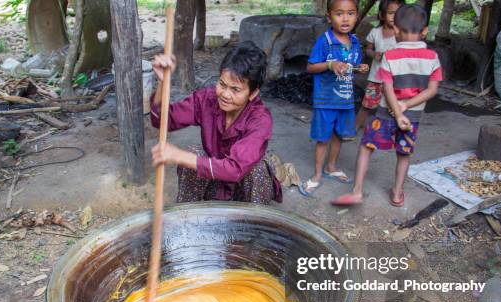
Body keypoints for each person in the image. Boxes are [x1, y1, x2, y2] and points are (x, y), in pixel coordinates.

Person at [331, 4, 442, 207]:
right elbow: (431, 90)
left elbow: (387, 88)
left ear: (396, 30)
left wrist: (397, 110)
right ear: (425, 31)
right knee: (403, 154)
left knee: (366, 147)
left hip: (385, 113)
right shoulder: (433, 58)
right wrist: (406, 106)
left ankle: (357, 191)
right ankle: (398, 193)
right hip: (413, 116)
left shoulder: (391, 56)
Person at [149, 41, 282, 205]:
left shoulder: (260, 120)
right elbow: (163, 121)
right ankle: (188, 219)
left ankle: (254, 227)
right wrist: (163, 82)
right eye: (222, 84)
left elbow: (235, 169)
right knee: (194, 154)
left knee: (258, 170)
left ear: (253, 93)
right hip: (214, 183)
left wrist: (179, 155)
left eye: (235, 89)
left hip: (242, 191)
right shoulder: (207, 99)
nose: (225, 94)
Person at [299, 0, 369, 197]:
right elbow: (310, 67)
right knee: (323, 138)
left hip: (345, 100)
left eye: (351, 13)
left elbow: (350, 67)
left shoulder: (354, 42)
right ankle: (317, 175)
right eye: (339, 14)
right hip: (326, 100)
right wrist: (330, 64)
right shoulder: (324, 41)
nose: (345, 18)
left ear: (357, 16)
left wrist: (360, 67)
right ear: (329, 17)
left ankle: (331, 166)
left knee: (339, 135)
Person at [354, 0, 404, 132]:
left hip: (394, 80)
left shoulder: (402, 34)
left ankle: (389, 129)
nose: (395, 16)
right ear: (382, 15)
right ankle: (355, 126)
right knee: (367, 105)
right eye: (391, 13)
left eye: (398, 13)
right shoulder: (375, 32)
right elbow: (368, 49)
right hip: (376, 78)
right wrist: (374, 54)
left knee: (392, 106)